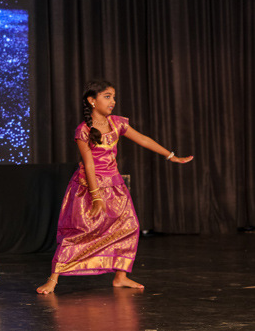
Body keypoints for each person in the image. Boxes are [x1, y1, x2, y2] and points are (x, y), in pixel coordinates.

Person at [36, 79, 193, 294]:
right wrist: (96, 196)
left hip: (115, 185)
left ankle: (120, 276)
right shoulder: (83, 130)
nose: (113, 101)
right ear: (92, 101)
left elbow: (143, 139)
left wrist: (171, 156)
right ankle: (53, 279)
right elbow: (89, 165)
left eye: (114, 97)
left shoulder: (117, 123)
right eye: (107, 97)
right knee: (81, 232)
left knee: (129, 227)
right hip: (89, 187)